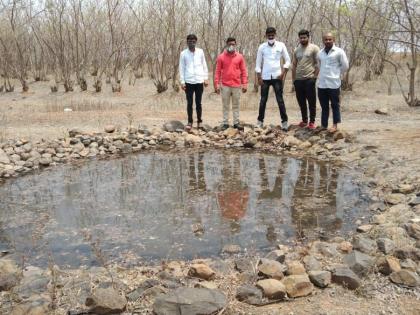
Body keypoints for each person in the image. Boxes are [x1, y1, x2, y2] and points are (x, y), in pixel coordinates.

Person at [255, 27, 291, 131]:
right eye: (269, 34)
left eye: (272, 34)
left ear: (275, 34)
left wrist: (283, 73)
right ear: (266, 35)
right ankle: (260, 122)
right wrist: (259, 77)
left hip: (277, 76)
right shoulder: (262, 47)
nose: (271, 35)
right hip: (265, 77)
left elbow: (288, 60)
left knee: (280, 100)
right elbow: (258, 63)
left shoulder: (281, 45)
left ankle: (284, 122)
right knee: (263, 100)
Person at [214, 37, 248, 130]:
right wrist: (216, 84)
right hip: (225, 85)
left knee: (236, 105)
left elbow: (243, 71)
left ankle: (236, 123)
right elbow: (217, 71)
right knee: (225, 105)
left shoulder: (240, 57)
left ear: (235, 45)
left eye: (233, 44)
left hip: (237, 85)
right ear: (226, 45)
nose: (231, 46)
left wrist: (244, 84)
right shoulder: (221, 56)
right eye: (229, 44)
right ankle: (225, 123)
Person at [317, 32, 349, 132]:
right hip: (322, 84)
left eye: (330, 39)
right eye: (326, 39)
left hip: (334, 84)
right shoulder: (320, 53)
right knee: (324, 106)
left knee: (335, 105)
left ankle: (335, 125)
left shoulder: (339, 51)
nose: (328, 41)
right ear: (323, 41)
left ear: (333, 40)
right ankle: (323, 125)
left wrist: (336, 73)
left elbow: (345, 66)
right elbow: (319, 66)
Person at [179, 34, 209, 131]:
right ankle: (190, 122)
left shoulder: (200, 52)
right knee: (190, 103)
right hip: (189, 81)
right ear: (187, 42)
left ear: (196, 41)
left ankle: (199, 122)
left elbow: (204, 65)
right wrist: (182, 82)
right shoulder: (183, 53)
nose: (191, 42)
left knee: (198, 103)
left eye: (193, 40)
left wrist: (206, 78)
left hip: (199, 81)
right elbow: (181, 68)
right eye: (189, 40)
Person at [292, 29, 320, 129]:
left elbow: (318, 64)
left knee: (311, 102)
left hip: (309, 79)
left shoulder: (314, 48)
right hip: (299, 80)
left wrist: (315, 77)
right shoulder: (296, 49)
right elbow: (294, 65)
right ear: (299, 38)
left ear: (308, 37)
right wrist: (293, 80)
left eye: (304, 37)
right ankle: (304, 120)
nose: (303, 39)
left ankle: (312, 122)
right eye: (301, 38)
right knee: (301, 102)